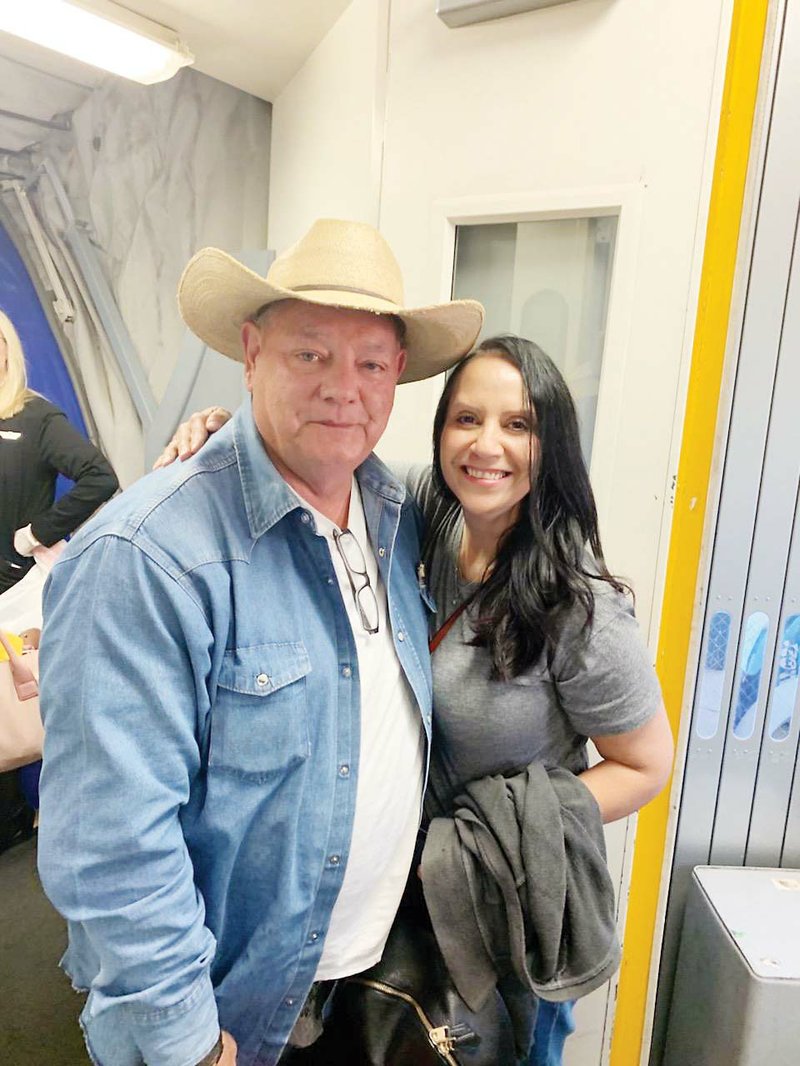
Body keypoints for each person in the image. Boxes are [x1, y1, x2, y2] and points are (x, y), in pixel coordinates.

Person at [36, 218, 484, 1066]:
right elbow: (112, 843)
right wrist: (190, 1043)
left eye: (371, 363)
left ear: (396, 379)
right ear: (250, 354)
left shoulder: (393, 518)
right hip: (227, 1021)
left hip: (366, 982)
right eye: (309, 354)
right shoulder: (147, 557)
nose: (342, 388)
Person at [165, 335, 674, 1065]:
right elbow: (319, 460)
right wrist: (229, 435)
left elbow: (648, 765)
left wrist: (508, 831)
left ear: (550, 443)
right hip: (403, 913)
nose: (487, 445)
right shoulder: (427, 513)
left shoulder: (577, 606)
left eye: (518, 425)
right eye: (467, 419)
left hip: (505, 920)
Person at [0, 309, 118, 853]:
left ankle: (73, 822)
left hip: (22, 598)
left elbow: (100, 475)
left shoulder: (34, 417)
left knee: (48, 708)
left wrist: (37, 533)